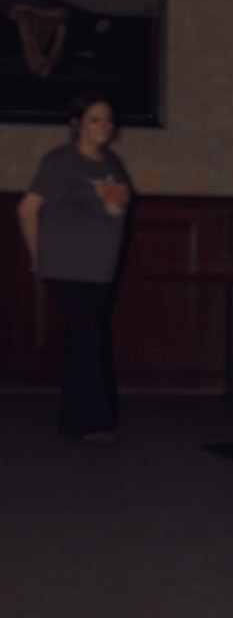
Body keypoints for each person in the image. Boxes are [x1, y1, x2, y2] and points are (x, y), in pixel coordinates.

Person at [16, 92, 132, 443]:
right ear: (76, 124)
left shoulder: (110, 162)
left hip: (101, 266)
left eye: (108, 119)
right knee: (90, 338)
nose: (104, 125)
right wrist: (38, 256)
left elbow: (113, 210)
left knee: (89, 339)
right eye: (95, 119)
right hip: (68, 265)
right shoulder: (61, 162)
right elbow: (27, 209)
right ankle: (95, 423)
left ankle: (72, 420)